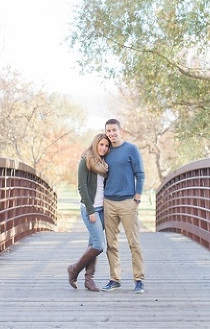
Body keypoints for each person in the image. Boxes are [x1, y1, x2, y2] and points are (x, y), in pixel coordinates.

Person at [100, 118, 147, 294]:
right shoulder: (105, 150)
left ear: (121, 131)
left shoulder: (131, 149)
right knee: (111, 244)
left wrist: (137, 199)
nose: (111, 134)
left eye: (114, 130)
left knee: (134, 243)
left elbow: (140, 175)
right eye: (108, 131)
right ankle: (115, 279)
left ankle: (139, 279)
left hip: (128, 202)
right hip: (109, 202)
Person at [67, 132, 110, 291]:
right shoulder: (85, 161)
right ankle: (74, 269)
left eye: (106, 146)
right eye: (101, 144)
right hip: (89, 209)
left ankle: (88, 279)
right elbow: (82, 188)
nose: (104, 148)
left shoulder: (104, 164)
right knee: (99, 245)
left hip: (102, 209)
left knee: (93, 243)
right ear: (95, 144)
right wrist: (91, 210)